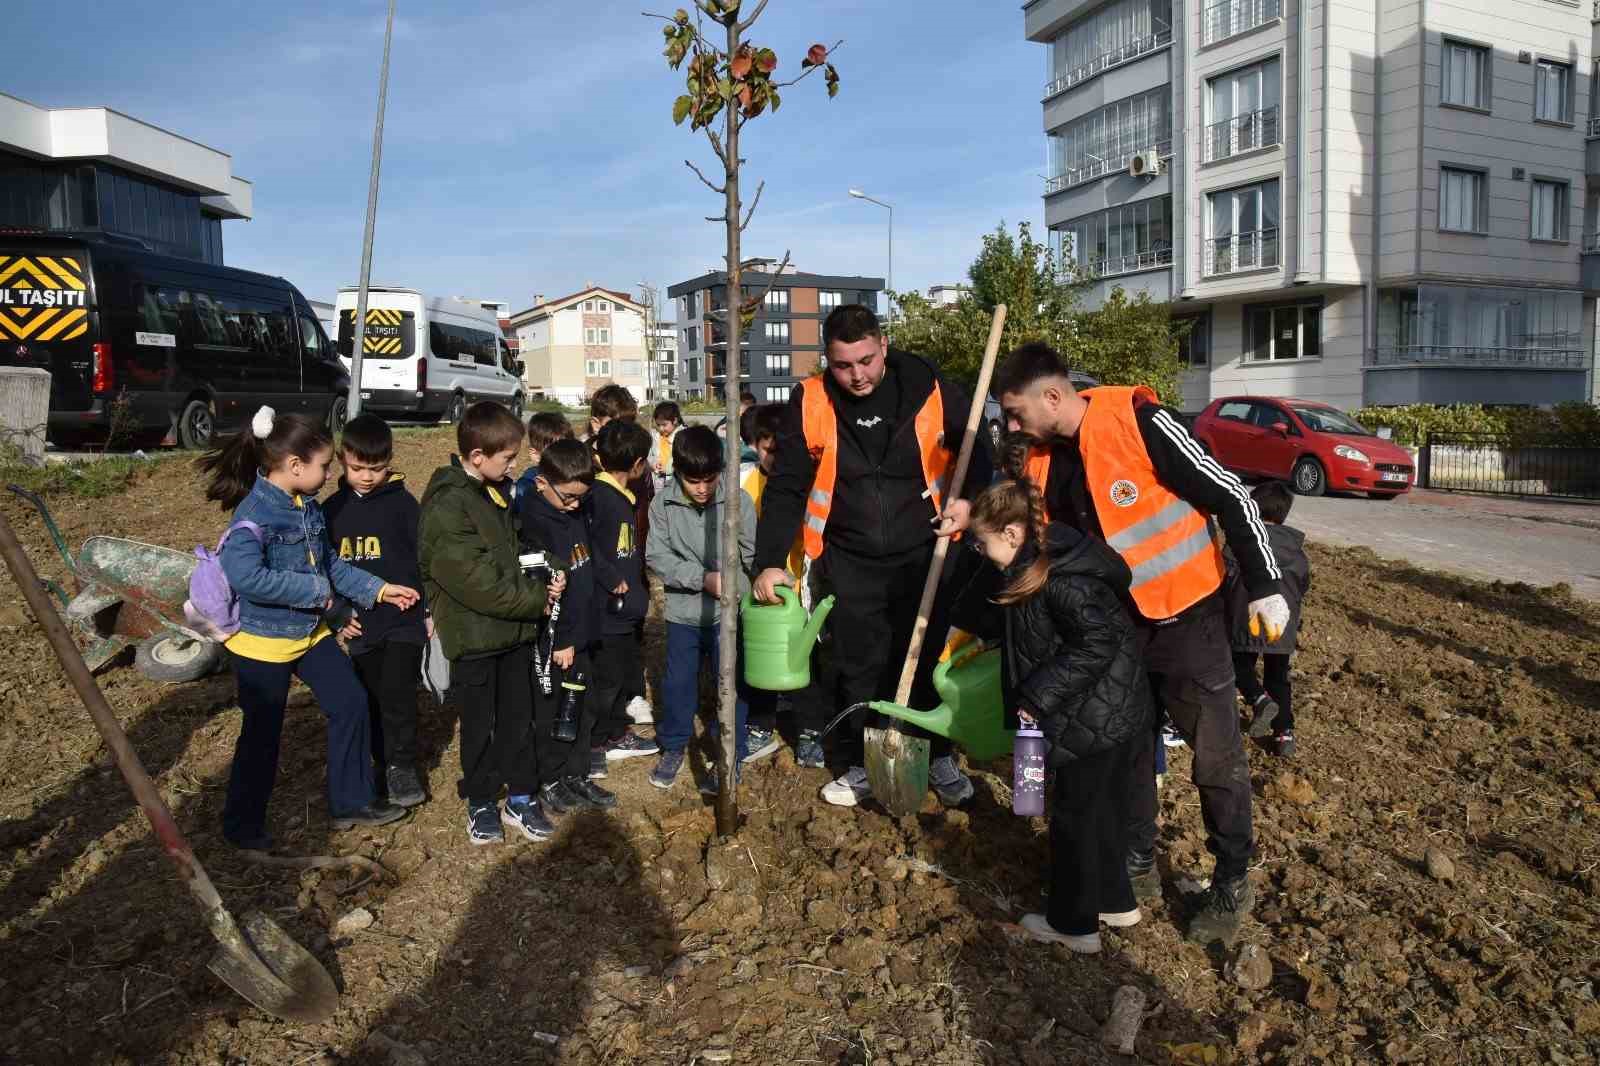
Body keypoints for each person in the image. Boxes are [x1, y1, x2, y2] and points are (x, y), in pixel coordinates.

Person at [985, 341, 1290, 944]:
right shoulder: (1041, 461)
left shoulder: (1139, 422)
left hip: (1186, 620)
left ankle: (1231, 876)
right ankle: (1137, 862)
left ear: (1054, 395)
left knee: (1214, 756)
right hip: (1116, 634)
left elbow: (1229, 493)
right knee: (1128, 751)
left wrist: (1264, 582)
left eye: (1018, 413)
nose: (1013, 427)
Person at [751, 304, 991, 809]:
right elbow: (788, 484)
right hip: (849, 556)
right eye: (843, 365)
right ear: (827, 361)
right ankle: (862, 762)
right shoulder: (810, 399)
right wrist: (770, 559)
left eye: (865, 360)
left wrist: (967, 500)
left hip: (924, 552)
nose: (856, 375)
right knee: (857, 663)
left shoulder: (927, 385)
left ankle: (936, 753)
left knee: (925, 657)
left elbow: (979, 448)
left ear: (883, 346)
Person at [200, 407, 417, 851]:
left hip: (307, 635)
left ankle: (352, 802)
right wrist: (314, 592)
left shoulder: (307, 507)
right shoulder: (256, 514)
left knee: (350, 702)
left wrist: (378, 590)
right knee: (262, 734)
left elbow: (331, 564)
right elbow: (245, 577)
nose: (328, 473)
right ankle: (242, 826)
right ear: (295, 466)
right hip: (262, 643)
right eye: (323, 465)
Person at [967, 479, 1152, 953]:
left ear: (1011, 534)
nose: (979, 551)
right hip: (1108, 712)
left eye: (982, 541)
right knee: (1102, 813)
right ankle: (1114, 900)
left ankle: (1073, 925)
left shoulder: (1062, 578)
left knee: (1076, 819)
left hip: (1092, 715)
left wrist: (1038, 693)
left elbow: (1098, 642)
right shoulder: (1036, 564)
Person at [419, 402, 564, 844]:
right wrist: (538, 601)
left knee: (519, 719)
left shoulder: (493, 493)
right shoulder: (449, 507)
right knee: (480, 724)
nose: (514, 464)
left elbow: (517, 549)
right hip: (477, 636)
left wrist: (550, 567)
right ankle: (481, 799)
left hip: (512, 633)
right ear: (477, 456)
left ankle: (521, 797)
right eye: (508, 458)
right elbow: (478, 583)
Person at [644, 425, 762, 792]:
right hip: (684, 613)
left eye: (710, 480)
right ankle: (675, 745)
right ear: (676, 471)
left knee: (732, 683)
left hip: (730, 613)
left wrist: (753, 584)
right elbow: (657, 557)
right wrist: (702, 578)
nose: (702, 488)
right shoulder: (662, 505)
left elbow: (750, 555)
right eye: (693, 480)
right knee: (679, 682)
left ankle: (731, 752)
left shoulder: (738, 501)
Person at [323, 414, 430, 808]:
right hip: (359, 625)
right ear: (341, 461)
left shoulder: (404, 506)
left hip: (405, 618)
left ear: (390, 462)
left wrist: (429, 609)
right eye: (357, 468)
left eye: (376, 468)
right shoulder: (330, 512)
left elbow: (424, 560)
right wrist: (336, 615)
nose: (366, 477)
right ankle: (378, 763)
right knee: (368, 696)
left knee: (398, 694)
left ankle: (402, 766)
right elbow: (323, 570)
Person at [515, 437, 617, 812]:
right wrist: (561, 640)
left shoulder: (574, 514)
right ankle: (551, 778)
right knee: (556, 711)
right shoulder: (533, 523)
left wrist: (608, 581)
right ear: (542, 482)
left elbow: (587, 561)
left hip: (583, 636)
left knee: (582, 707)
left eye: (580, 498)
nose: (575, 504)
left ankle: (576, 773)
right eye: (569, 497)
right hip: (558, 641)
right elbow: (549, 590)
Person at [742, 402, 825, 768]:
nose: (774, 457)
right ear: (754, 445)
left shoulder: (810, 481)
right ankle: (761, 725)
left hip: (803, 586)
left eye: (782, 450)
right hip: (763, 588)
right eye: (768, 449)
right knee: (760, 653)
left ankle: (809, 731)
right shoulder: (748, 486)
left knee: (808, 657)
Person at [586, 418, 660, 767]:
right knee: (607, 680)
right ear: (637, 465)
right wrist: (609, 576)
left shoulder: (619, 497)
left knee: (616, 676)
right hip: (606, 612)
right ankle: (600, 740)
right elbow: (587, 546)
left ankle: (615, 730)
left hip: (622, 611)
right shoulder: (601, 499)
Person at [1226, 481, 1310, 758]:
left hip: (1243, 618)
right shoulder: (1297, 553)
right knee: (1278, 677)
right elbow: (1302, 586)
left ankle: (1258, 699)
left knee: (1239, 666)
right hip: (1281, 623)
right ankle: (1284, 734)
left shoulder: (1240, 543)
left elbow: (1223, 579)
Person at [649, 400, 685, 490]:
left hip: (676, 483)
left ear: (675, 420)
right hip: (658, 482)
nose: (661, 428)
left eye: (664, 425)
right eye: (658, 425)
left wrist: (669, 469)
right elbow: (650, 455)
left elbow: (684, 460)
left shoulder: (683, 437)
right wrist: (653, 463)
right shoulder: (656, 436)